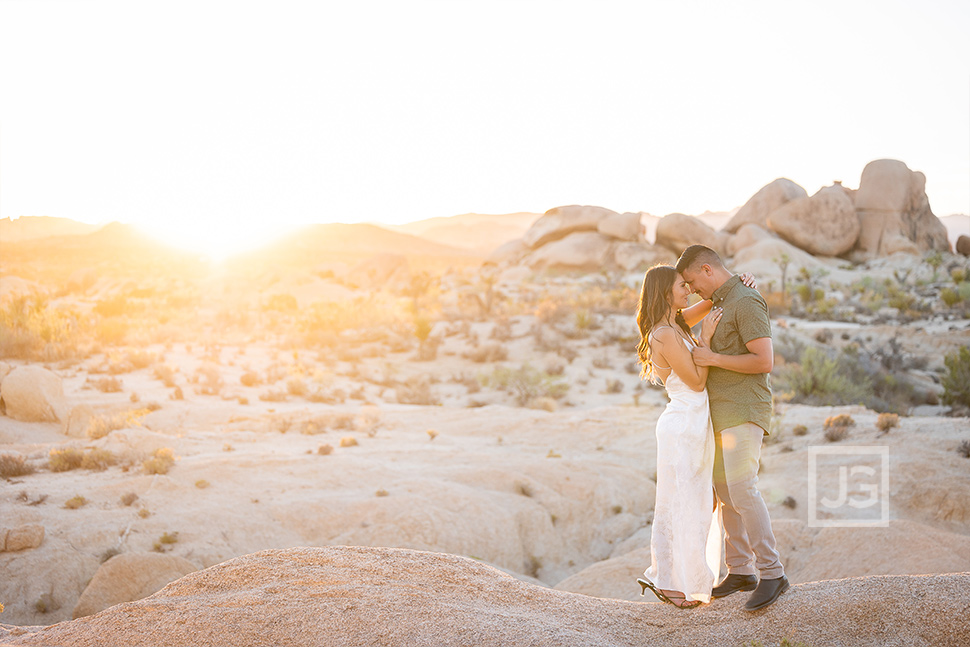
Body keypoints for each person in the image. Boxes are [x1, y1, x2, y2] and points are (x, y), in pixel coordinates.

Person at [676, 244, 789, 612]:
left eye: (693, 283)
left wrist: (712, 358)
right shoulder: (723, 298)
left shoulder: (745, 301)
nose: (693, 291)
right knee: (724, 490)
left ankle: (772, 573)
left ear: (707, 270)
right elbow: (676, 320)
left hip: (744, 409)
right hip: (720, 414)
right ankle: (740, 570)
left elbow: (765, 360)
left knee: (742, 487)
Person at [633, 264, 726, 609]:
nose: (688, 290)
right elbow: (697, 382)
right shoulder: (665, 334)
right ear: (665, 292)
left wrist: (739, 281)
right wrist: (706, 340)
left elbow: (716, 298)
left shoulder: (677, 322)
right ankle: (670, 582)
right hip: (682, 425)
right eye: (681, 286)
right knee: (680, 504)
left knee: (699, 502)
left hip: (694, 424)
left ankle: (680, 580)